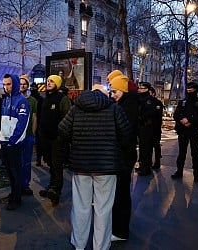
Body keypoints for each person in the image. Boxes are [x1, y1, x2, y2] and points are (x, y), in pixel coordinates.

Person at [58, 89, 133, 250]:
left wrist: (77, 141)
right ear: (104, 96)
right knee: (103, 208)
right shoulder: (114, 108)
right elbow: (127, 135)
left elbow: (62, 130)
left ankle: (79, 244)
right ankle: (100, 246)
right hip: (107, 166)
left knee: (80, 206)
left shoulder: (76, 108)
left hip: (81, 165)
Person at [108, 74, 138, 241]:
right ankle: (119, 228)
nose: (113, 95)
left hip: (123, 155)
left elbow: (125, 133)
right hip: (124, 154)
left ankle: (120, 231)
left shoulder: (128, 106)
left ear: (123, 90)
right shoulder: (125, 103)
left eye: (114, 92)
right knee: (120, 192)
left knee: (121, 194)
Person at [38, 75, 72, 206]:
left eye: (51, 81)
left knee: (57, 166)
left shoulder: (63, 99)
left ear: (57, 84)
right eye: (47, 81)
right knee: (51, 165)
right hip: (46, 138)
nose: (48, 83)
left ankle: (56, 191)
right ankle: (51, 187)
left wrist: (61, 136)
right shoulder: (47, 98)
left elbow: (67, 119)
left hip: (57, 140)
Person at [0, 74, 30, 210]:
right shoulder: (5, 100)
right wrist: (1, 139)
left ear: (15, 84)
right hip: (4, 143)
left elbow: (22, 125)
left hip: (14, 144)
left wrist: (12, 141)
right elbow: (3, 122)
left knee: (16, 173)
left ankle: (17, 199)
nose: (6, 87)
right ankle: (13, 194)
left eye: (9, 84)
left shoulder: (22, 102)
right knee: (10, 173)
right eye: (5, 84)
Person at [171, 82, 198, 183]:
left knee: (195, 153)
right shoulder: (182, 102)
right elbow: (176, 114)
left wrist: (190, 120)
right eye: (188, 90)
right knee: (182, 152)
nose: (189, 91)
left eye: (191, 90)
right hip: (182, 131)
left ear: (195, 90)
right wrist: (182, 120)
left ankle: (196, 174)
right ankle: (179, 171)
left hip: (194, 131)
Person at [136, 82, 160, 176]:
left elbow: (151, 113)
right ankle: (142, 165)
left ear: (146, 89)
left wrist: (140, 117)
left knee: (146, 149)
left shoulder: (149, 101)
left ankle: (146, 167)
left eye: (142, 88)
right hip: (140, 127)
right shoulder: (139, 99)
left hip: (147, 127)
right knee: (142, 148)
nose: (139, 90)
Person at [19, 74, 37, 196]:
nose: (22, 85)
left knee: (26, 161)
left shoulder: (33, 101)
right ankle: (16, 184)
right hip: (16, 136)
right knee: (16, 162)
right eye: (20, 83)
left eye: (24, 83)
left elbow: (35, 118)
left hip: (28, 135)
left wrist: (33, 135)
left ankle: (25, 184)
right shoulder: (13, 98)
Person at [149, 86, 164, 169]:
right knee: (149, 146)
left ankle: (157, 162)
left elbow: (158, 116)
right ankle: (149, 161)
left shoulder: (158, 103)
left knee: (156, 145)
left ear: (153, 93)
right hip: (149, 128)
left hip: (156, 128)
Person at [30, 82, 44, 166]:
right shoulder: (30, 98)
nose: (32, 89)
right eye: (31, 88)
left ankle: (38, 159)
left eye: (33, 88)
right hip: (32, 121)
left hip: (38, 122)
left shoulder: (40, 99)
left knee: (38, 142)